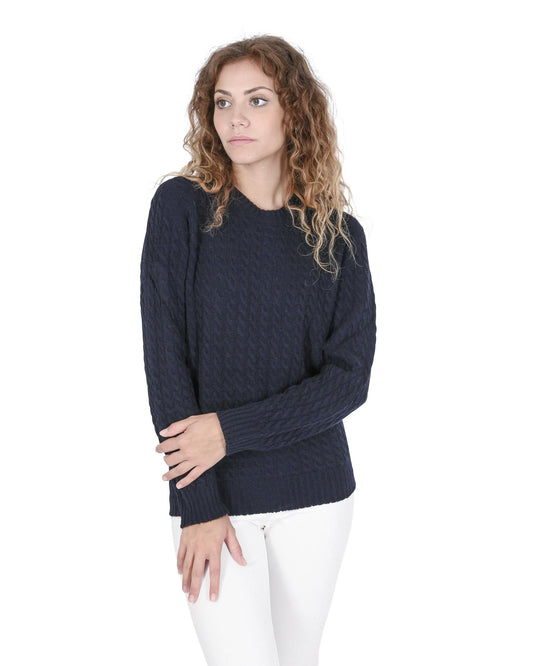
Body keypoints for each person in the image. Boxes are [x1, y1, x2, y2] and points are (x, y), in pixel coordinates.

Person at [139, 35, 377, 666]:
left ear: (294, 111)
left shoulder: (339, 237)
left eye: (257, 99)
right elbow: (166, 360)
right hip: (216, 495)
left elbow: (348, 381)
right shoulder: (181, 208)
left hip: (318, 494)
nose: (235, 118)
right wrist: (199, 504)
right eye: (222, 102)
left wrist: (229, 430)